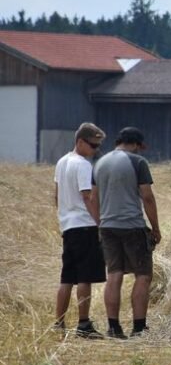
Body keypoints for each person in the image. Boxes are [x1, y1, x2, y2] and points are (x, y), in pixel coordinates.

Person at [93, 127, 161, 339]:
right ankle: (139, 328)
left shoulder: (99, 163)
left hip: (107, 226)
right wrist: (156, 228)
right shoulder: (137, 162)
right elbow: (147, 197)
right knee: (143, 275)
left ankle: (113, 328)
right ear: (136, 144)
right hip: (132, 226)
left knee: (114, 275)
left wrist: (100, 224)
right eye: (140, 148)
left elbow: (93, 198)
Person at [52, 123, 107, 338]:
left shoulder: (61, 162)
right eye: (93, 145)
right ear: (80, 142)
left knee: (66, 277)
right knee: (85, 277)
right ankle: (84, 325)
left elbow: (57, 195)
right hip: (85, 226)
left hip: (68, 225)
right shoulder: (83, 165)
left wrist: (63, 218)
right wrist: (99, 223)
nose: (95, 150)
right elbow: (87, 196)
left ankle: (59, 323)